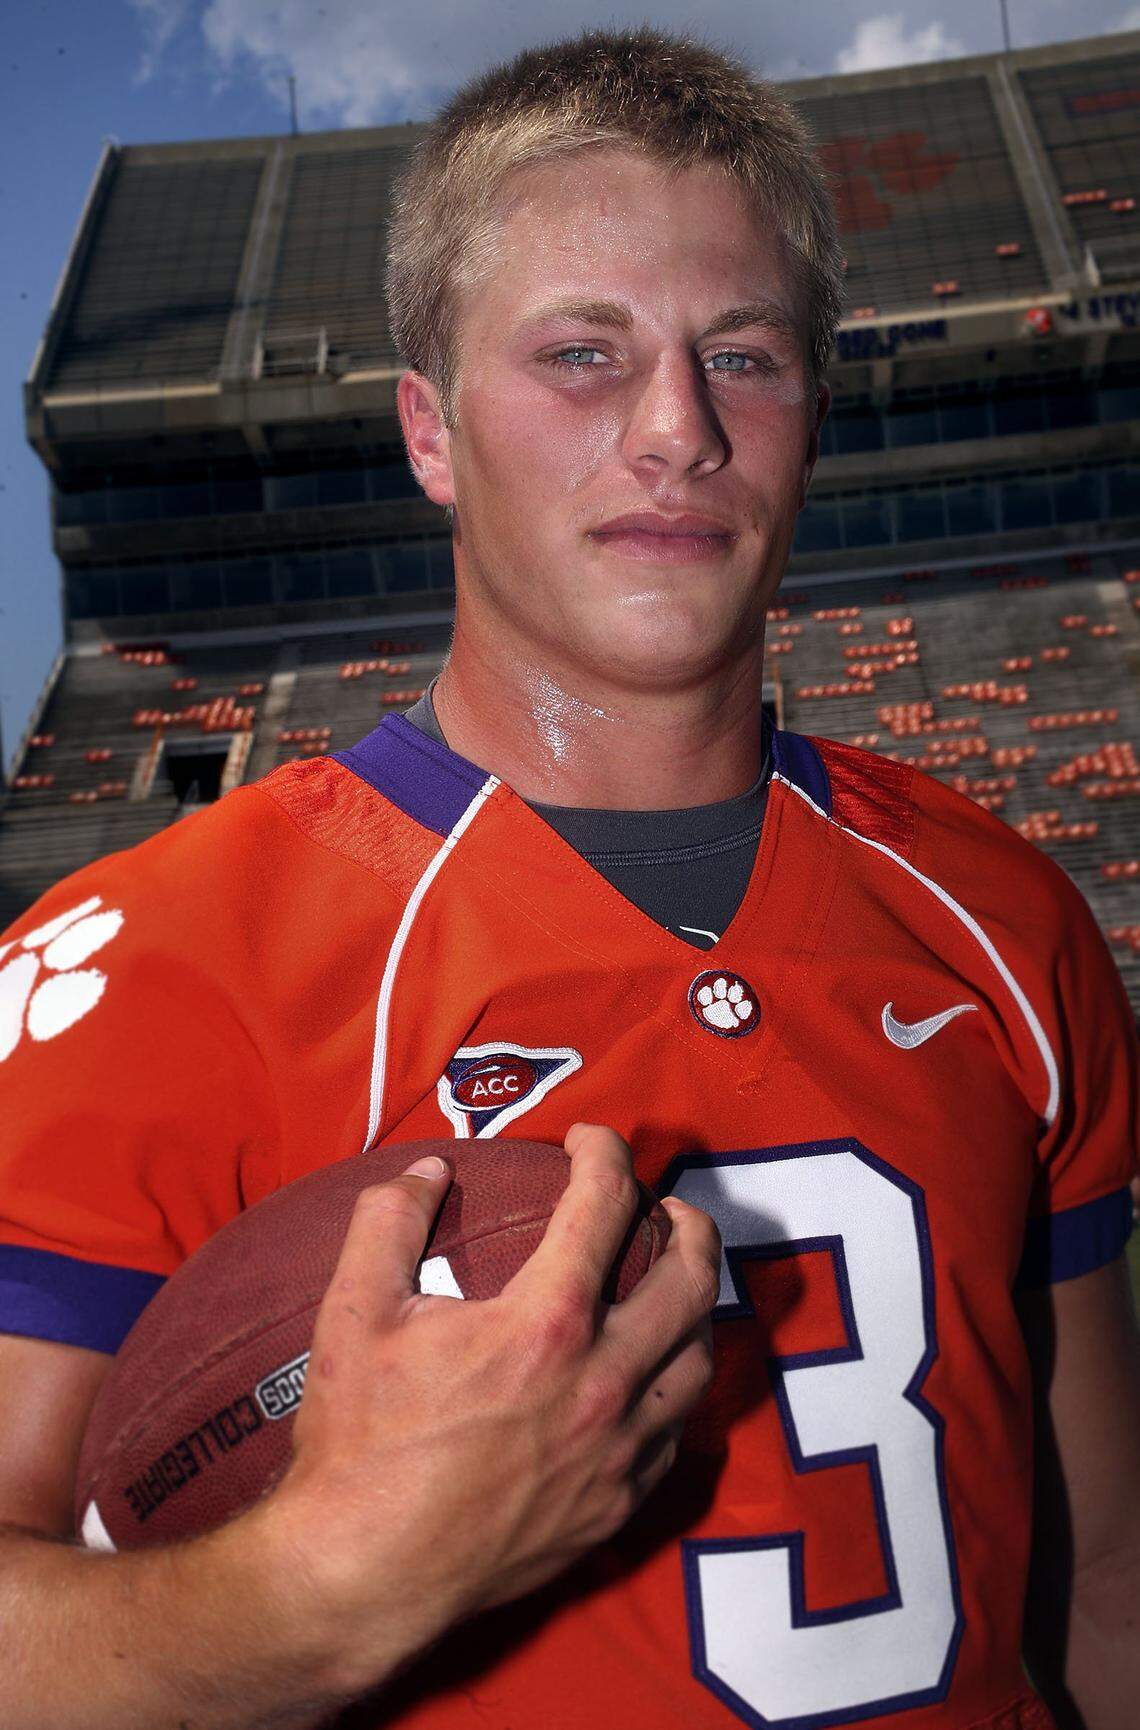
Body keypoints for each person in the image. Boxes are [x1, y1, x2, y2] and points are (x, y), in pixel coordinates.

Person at [1, 25, 1138, 1730]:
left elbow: (1103, 1569)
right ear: (432, 432)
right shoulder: (150, 963)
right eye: (582, 355)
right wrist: (305, 1588)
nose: (678, 429)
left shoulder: (1002, 914)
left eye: (743, 356)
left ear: (812, 417)